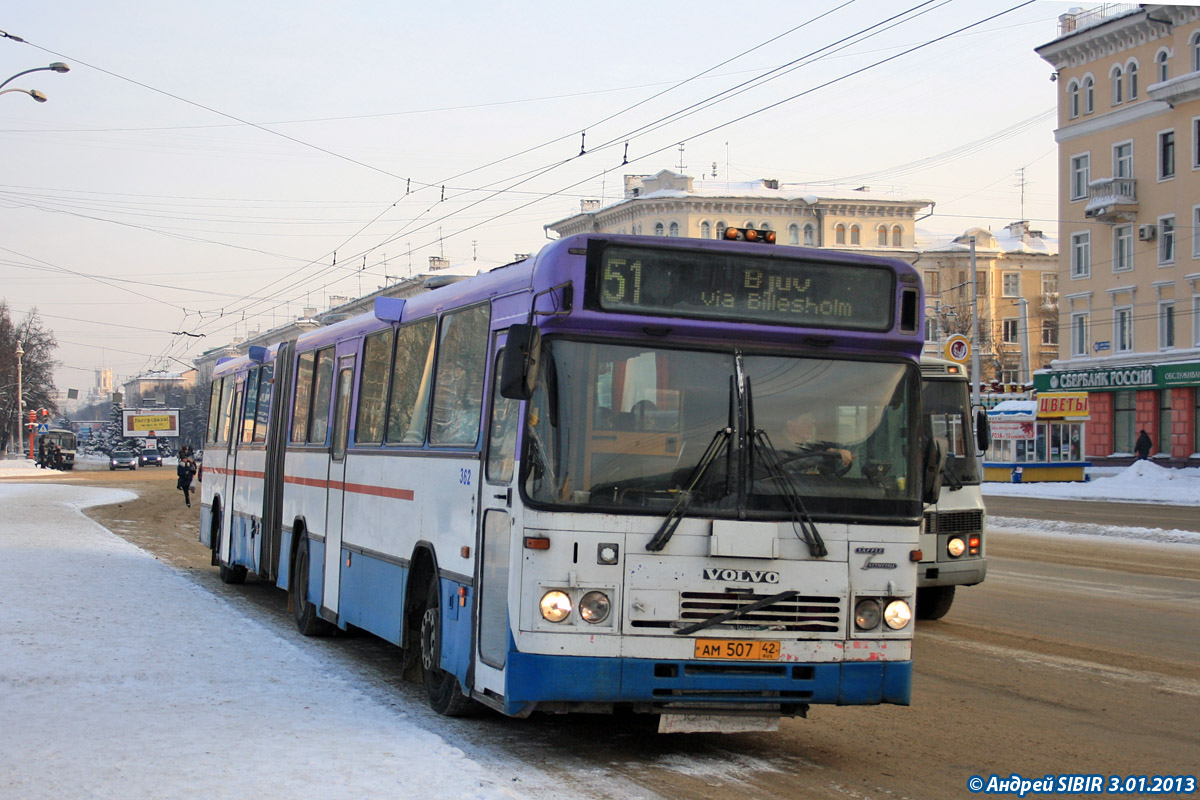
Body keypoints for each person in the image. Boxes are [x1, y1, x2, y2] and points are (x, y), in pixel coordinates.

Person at [785, 411, 852, 470]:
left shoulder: (807, 445)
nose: (811, 425)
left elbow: (823, 448)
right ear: (790, 425)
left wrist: (836, 451)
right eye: (805, 422)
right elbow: (794, 464)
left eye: (812, 422)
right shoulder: (781, 447)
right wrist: (824, 457)